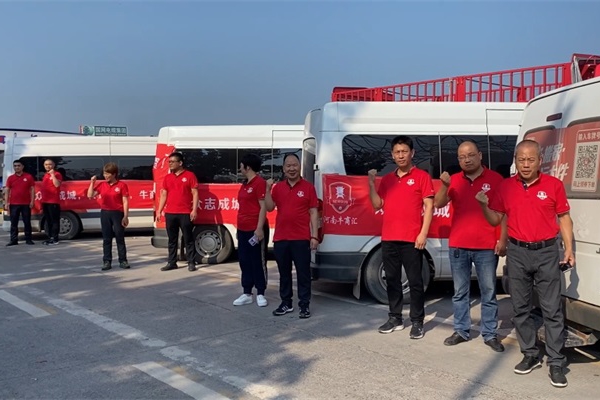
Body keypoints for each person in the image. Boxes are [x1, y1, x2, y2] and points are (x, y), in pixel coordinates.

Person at [476, 139, 574, 388]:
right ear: (516, 161)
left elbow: (564, 218)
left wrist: (569, 248)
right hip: (517, 252)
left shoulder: (553, 185)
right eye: (521, 160)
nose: (526, 164)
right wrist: (484, 205)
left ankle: (556, 361)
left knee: (552, 310)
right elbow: (495, 219)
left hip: (547, 252)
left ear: (540, 161)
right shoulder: (506, 187)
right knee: (520, 308)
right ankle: (530, 354)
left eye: (531, 159)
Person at [434, 140, 506, 352]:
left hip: (486, 246)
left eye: (471, 155)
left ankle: (490, 334)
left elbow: (503, 212)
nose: (466, 160)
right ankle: (461, 330)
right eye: (462, 157)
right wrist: (445, 186)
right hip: (459, 245)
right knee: (460, 292)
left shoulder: (496, 179)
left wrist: (502, 239)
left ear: (480, 155)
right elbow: (438, 203)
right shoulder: (454, 180)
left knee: (488, 292)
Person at [368, 135, 434, 339]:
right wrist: (371, 184)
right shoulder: (388, 179)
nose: (401, 155)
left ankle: (417, 321)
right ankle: (395, 318)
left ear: (412, 153)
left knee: (415, 282)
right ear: (392, 155)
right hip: (389, 238)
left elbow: (429, 205)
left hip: (412, 239)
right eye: (397, 152)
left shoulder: (421, 176)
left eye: (404, 151)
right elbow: (377, 204)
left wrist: (423, 233)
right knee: (392, 280)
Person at [265, 153, 318, 319]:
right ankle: (286, 303)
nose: (292, 168)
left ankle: (304, 305)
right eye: (288, 165)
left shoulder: (308, 187)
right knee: (284, 274)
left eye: (294, 165)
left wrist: (314, 236)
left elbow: (313, 212)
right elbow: (269, 207)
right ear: (283, 168)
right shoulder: (278, 188)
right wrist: (267, 190)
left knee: (303, 274)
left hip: (301, 238)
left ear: (299, 166)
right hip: (281, 238)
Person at [232, 153, 270, 307]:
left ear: (247, 167)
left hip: (255, 229)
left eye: (241, 166)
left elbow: (263, 207)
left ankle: (260, 292)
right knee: (244, 260)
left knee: (258, 261)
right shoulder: (245, 184)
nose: (240, 169)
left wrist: (259, 229)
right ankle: (247, 292)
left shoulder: (259, 183)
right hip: (242, 228)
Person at [156, 152, 199, 272]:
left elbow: (195, 193)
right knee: (172, 239)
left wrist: (194, 210)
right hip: (170, 213)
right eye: (169, 162)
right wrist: (159, 211)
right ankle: (172, 262)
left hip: (185, 212)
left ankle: (191, 262)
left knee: (188, 238)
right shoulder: (168, 177)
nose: (170, 164)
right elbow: (164, 194)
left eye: (172, 162)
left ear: (180, 163)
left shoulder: (189, 176)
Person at [87, 162, 131, 271]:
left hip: (118, 213)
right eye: (104, 173)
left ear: (114, 174)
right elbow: (90, 195)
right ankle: (107, 261)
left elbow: (125, 201)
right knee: (107, 238)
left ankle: (123, 260)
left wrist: (125, 216)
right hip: (105, 213)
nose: (105, 176)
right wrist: (92, 183)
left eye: (108, 174)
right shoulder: (102, 185)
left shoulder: (121, 185)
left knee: (119, 237)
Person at [4, 159, 35, 246]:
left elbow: (32, 189)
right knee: (14, 223)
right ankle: (13, 240)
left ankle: (28, 239)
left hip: (26, 204)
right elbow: (7, 190)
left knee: (27, 222)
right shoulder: (10, 178)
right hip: (14, 204)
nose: (17, 167)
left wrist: (32, 201)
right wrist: (6, 202)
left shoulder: (28, 177)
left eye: (18, 166)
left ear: (22, 167)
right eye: (15, 166)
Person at [41, 159, 63, 245]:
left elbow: (57, 184)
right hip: (45, 201)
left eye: (50, 164)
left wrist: (53, 175)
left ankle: (55, 238)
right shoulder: (45, 175)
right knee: (48, 220)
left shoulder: (57, 174)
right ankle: (50, 237)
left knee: (54, 221)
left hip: (53, 202)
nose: (48, 166)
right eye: (46, 164)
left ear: (53, 165)